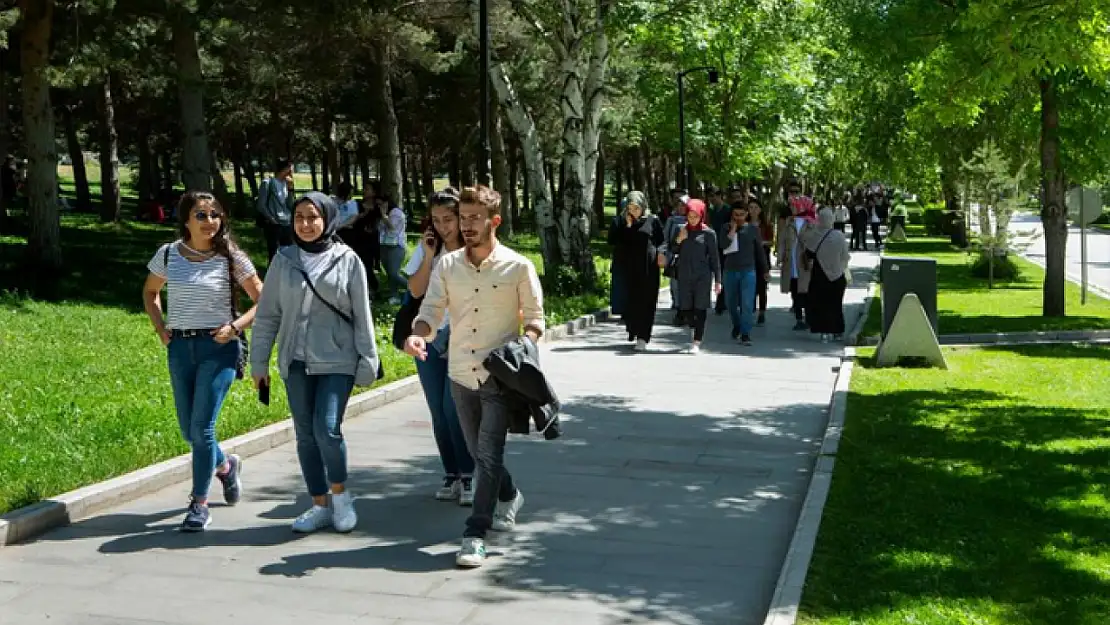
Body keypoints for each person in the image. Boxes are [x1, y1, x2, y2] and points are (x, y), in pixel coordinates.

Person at [404, 185, 544, 568]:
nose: (465, 226)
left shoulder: (519, 267)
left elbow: (534, 319)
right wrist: (419, 334)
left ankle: (474, 533)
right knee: (476, 451)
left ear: (494, 221)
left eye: (473, 218)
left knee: (488, 453)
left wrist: (524, 346)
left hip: (500, 375)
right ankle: (510, 492)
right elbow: (430, 310)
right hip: (459, 373)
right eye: (461, 218)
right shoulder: (447, 267)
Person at [250, 192, 379, 534]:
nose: (305, 225)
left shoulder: (347, 260)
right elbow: (267, 315)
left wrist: (368, 358)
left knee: (327, 429)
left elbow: (362, 315)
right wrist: (258, 361)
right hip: (295, 360)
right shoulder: (284, 259)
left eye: (312, 217)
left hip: (338, 359)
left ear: (328, 219)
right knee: (305, 435)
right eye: (299, 218)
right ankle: (319, 503)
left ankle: (340, 495)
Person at [142, 191, 263, 531]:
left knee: (202, 428)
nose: (210, 221)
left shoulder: (231, 257)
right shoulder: (168, 255)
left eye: (214, 215)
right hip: (180, 348)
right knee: (188, 430)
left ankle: (199, 504)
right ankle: (225, 467)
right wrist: (161, 329)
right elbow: (150, 292)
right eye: (201, 215)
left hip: (218, 348)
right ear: (185, 220)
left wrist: (235, 327)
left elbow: (263, 299)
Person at [404, 188, 476, 506]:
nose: (445, 226)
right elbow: (416, 289)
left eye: (450, 219)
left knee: (454, 408)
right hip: (429, 339)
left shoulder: (474, 251)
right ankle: (451, 474)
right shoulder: (426, 251)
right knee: (438, 410)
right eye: (437, 220)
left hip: (463, 340)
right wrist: (430, 255)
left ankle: (469, 474)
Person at [608, 190, 665, 351]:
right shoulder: (621, 221)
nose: (634, 211)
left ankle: (643, 336)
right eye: (630, 208)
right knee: (632, 301)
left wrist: (661, 254)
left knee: (647, 301)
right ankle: (633, 329)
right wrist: (627, 226)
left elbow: (662, 241)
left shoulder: (652, 220)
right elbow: (614, 241)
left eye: (636, 208)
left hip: (649, 266)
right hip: (629, 267)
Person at [672, 199, 721, 354]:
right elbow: (672, 248)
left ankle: (696, 342)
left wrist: (718, 280)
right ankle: (693, 326)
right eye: (690, 216)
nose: (692, 219)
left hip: (703, 276)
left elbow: (715, 258)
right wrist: (679, 239)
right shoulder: (681, 229)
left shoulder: (708, 233)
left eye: (696, 216)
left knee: (700, 308)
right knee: (685, 308)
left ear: (702, 215)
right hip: (684, 275)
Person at [720, 201, 770, 345]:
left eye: (742, 215)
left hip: (748, 271)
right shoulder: (725, 228)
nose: (739, 218)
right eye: (736, 215)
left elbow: (760, 252)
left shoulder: (753, 230)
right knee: (730, 303)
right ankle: (737, 324)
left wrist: (765, 270)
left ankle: (745, 333)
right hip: (730, 271)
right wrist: (732, 231)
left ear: (747, 214)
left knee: (747, 303)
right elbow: (722, 245)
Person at [803, 207, 851, 342]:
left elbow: (808, 253)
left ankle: (824, 331)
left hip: (819, 276)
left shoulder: (815, 235)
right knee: (836, 304)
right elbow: (845, 256)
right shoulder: (839, 236)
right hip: (838, 276)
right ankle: (837, 330)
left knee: (821, 304)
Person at [779, 183, 816, 331]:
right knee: (795, 291)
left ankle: (809, 317)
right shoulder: (789, 222)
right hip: (791, 262)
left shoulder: (812, 224)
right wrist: (781, 256)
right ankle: (799, 319)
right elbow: (782, 240)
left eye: (795, 205)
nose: (792, 208)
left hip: (805, 264)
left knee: (805, 291)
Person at [256, 159, 296, 262]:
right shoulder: (267, 183)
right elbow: (261, 205)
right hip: (273, 224)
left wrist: (291, 189)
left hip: (286, 223)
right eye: (291, 169)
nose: (293, 171)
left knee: (288, 254)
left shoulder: (286, 184)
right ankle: (273, 277)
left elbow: (290, 205)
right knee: (274, 255)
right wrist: (271, 219)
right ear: (286, 169)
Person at [378, 188, 408, 304]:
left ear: (387, 203)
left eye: (381, 204)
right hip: (384, 245)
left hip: (396, 247)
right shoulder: (383, 215)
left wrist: (383, 215)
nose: (379, 206)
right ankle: (394, 295)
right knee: (389, 273)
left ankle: (415, 290)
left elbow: (392, 228)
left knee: (394, 273)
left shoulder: (396, 213)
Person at [661, 195, 688, 324]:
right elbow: (666, 237)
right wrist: (664, 252)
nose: (681, 208)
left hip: (688, 257)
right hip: (674, 254)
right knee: (674, 282)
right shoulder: (671, 220)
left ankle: (684, 308)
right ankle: (677, 303)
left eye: (684, 205)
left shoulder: (694, 220)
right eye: (679, 205)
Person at [748, 197, 774, 326]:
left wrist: (761, 243)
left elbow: (771, 241)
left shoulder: (766, 225)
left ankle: (762, 312)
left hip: (763, 258)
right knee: (750, 285)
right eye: (751, 208)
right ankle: (750, 309)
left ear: (760, 210)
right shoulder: (744, 224)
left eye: (755, 208)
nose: (753, 210)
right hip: (748, 259)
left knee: (762, 286)